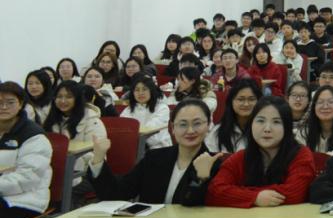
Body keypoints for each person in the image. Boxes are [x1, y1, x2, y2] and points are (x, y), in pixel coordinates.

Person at [89, 99, 223, 205]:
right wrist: (98, 160)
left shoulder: (215, 164)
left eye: (197, 123)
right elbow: (117, 194)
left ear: (208, 125)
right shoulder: (154, 158)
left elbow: (192, 206)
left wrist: (201, 179)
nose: (190, 130)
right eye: (183, 124)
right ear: (172, 128)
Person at [206, 96, 316, 207]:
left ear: (287, 127)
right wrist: (255, 197)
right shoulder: (241, 157)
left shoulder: (301, 155)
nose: (267, 129)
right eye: (260, 121)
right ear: (251, 124)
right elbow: (214, 191)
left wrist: (238, 193)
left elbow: (294, 193)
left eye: (276, 122)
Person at [0, 81, 53, 218]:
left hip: (24, 199)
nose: (4, 107)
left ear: (21, 104)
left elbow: (27, 179)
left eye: (10, 102)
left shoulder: (33, 136)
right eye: (0, 103)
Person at [44, 81, 108, 176]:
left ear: (77, 99)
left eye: (69, 97)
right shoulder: (51, 118)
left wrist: (68, 155)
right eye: (59, 97)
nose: (63, 101)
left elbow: (95, 154)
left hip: (83, 173)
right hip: (53, 169)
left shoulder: (92, 120)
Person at [206, 78, 261, 153]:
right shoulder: (218, 132)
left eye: (251, 99)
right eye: (240, 99)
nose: (246, 104)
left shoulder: (264, 129)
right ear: (231, 101)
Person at [123, 76, 172, 150]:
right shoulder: (128, 110)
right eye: (137, 90)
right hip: (134, 148)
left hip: (159, 148)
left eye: (144, 89)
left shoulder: (162, 108)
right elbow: (124, 131)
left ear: (151, 90)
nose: (140, 93)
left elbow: (150, 131)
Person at [296, 86, 333, 154]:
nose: (325, 106)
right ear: (314, 106)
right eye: (320, 102)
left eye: (331, 102)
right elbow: (301, 155)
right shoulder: (304, 132)